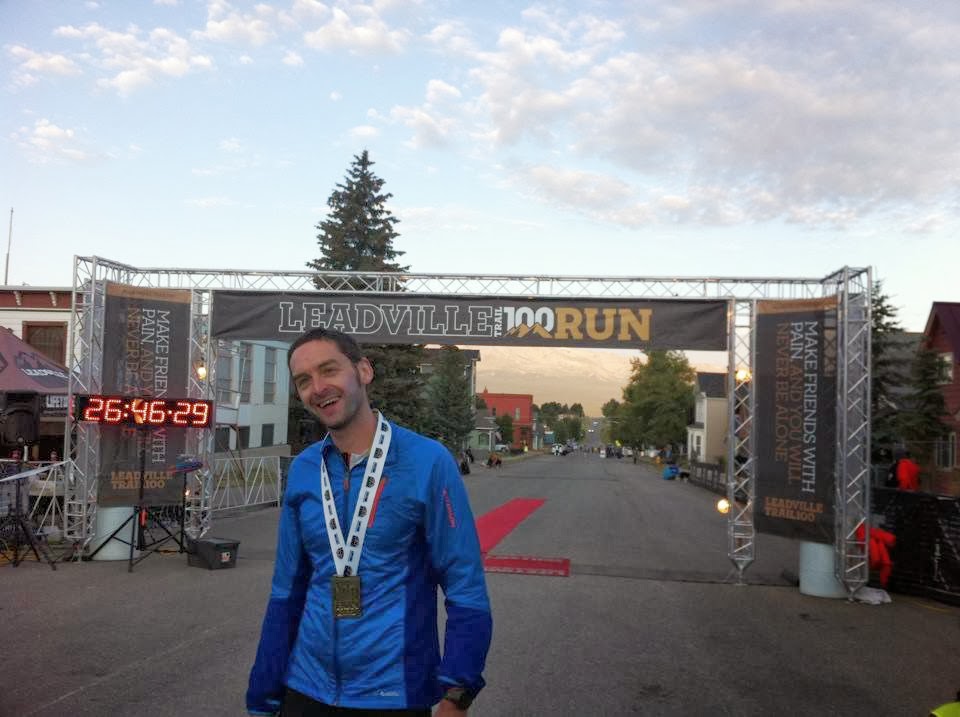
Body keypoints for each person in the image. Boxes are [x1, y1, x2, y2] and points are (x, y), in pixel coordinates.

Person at [247, 328, 492, 717]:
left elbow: (465, 584)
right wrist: (263, 697)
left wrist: (457, 692)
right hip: (305, 687)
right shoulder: (305, 469)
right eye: (304, 380)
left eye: (329, 370)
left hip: (393, 694)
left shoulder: (428, 461)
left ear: (363, 370)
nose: (318, 388)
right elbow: (286, 591)